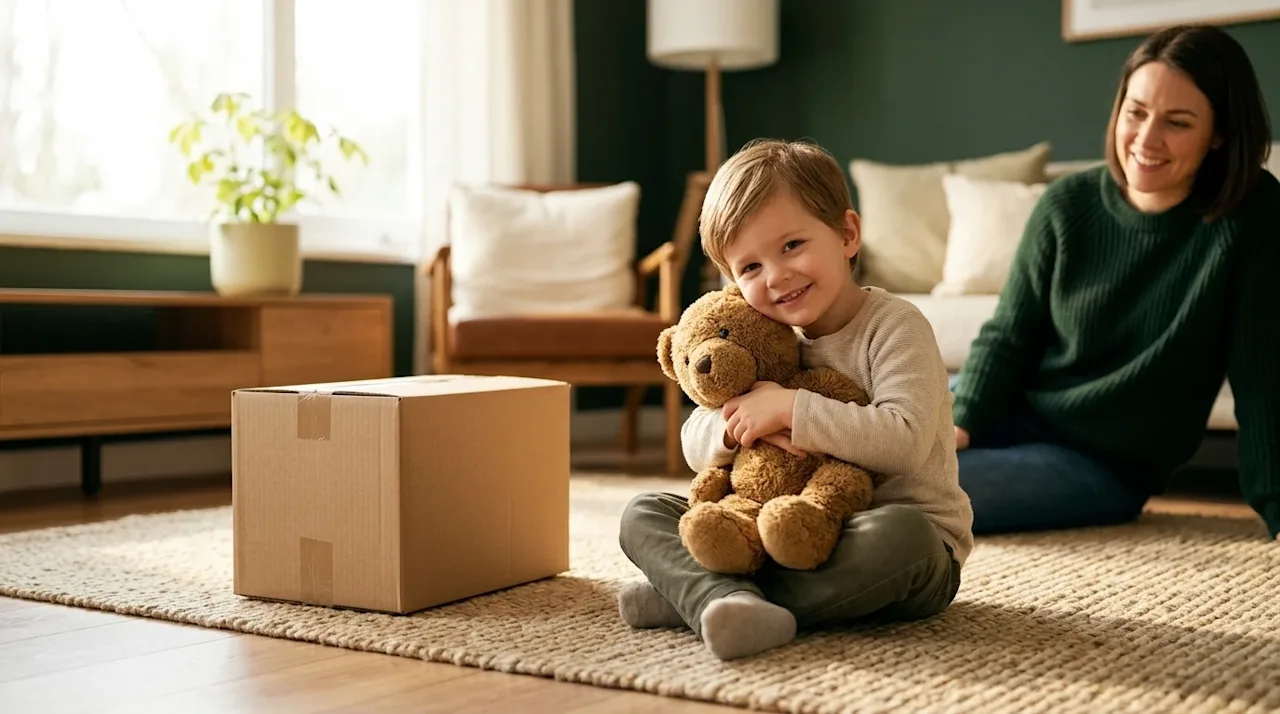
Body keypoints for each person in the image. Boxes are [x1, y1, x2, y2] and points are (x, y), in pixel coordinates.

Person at [615, 138, 974, 661]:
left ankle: (700, 596)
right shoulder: (759, 335)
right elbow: (695, 437)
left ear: (847, 234)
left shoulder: (896, 327)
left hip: (885, 540)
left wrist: (788, 409)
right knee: (642, 513)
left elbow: (905, 442)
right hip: (764, 537)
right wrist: (733, 424)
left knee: (905, 537)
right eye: (750, 268)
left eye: (791, 246)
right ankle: (725, 598)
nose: (777, 276)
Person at [951, 24, 1280, 540]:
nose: (1147, 140)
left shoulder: (1253, 217)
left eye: (1177, 122)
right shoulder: (1066, 204)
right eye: (1137, 112)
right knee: (851, 433)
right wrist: (962, 421)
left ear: (1218, 133)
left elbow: (1266, 377)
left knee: (921, 492)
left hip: (1100, 466)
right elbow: (1008, 335)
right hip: (1007, 412)